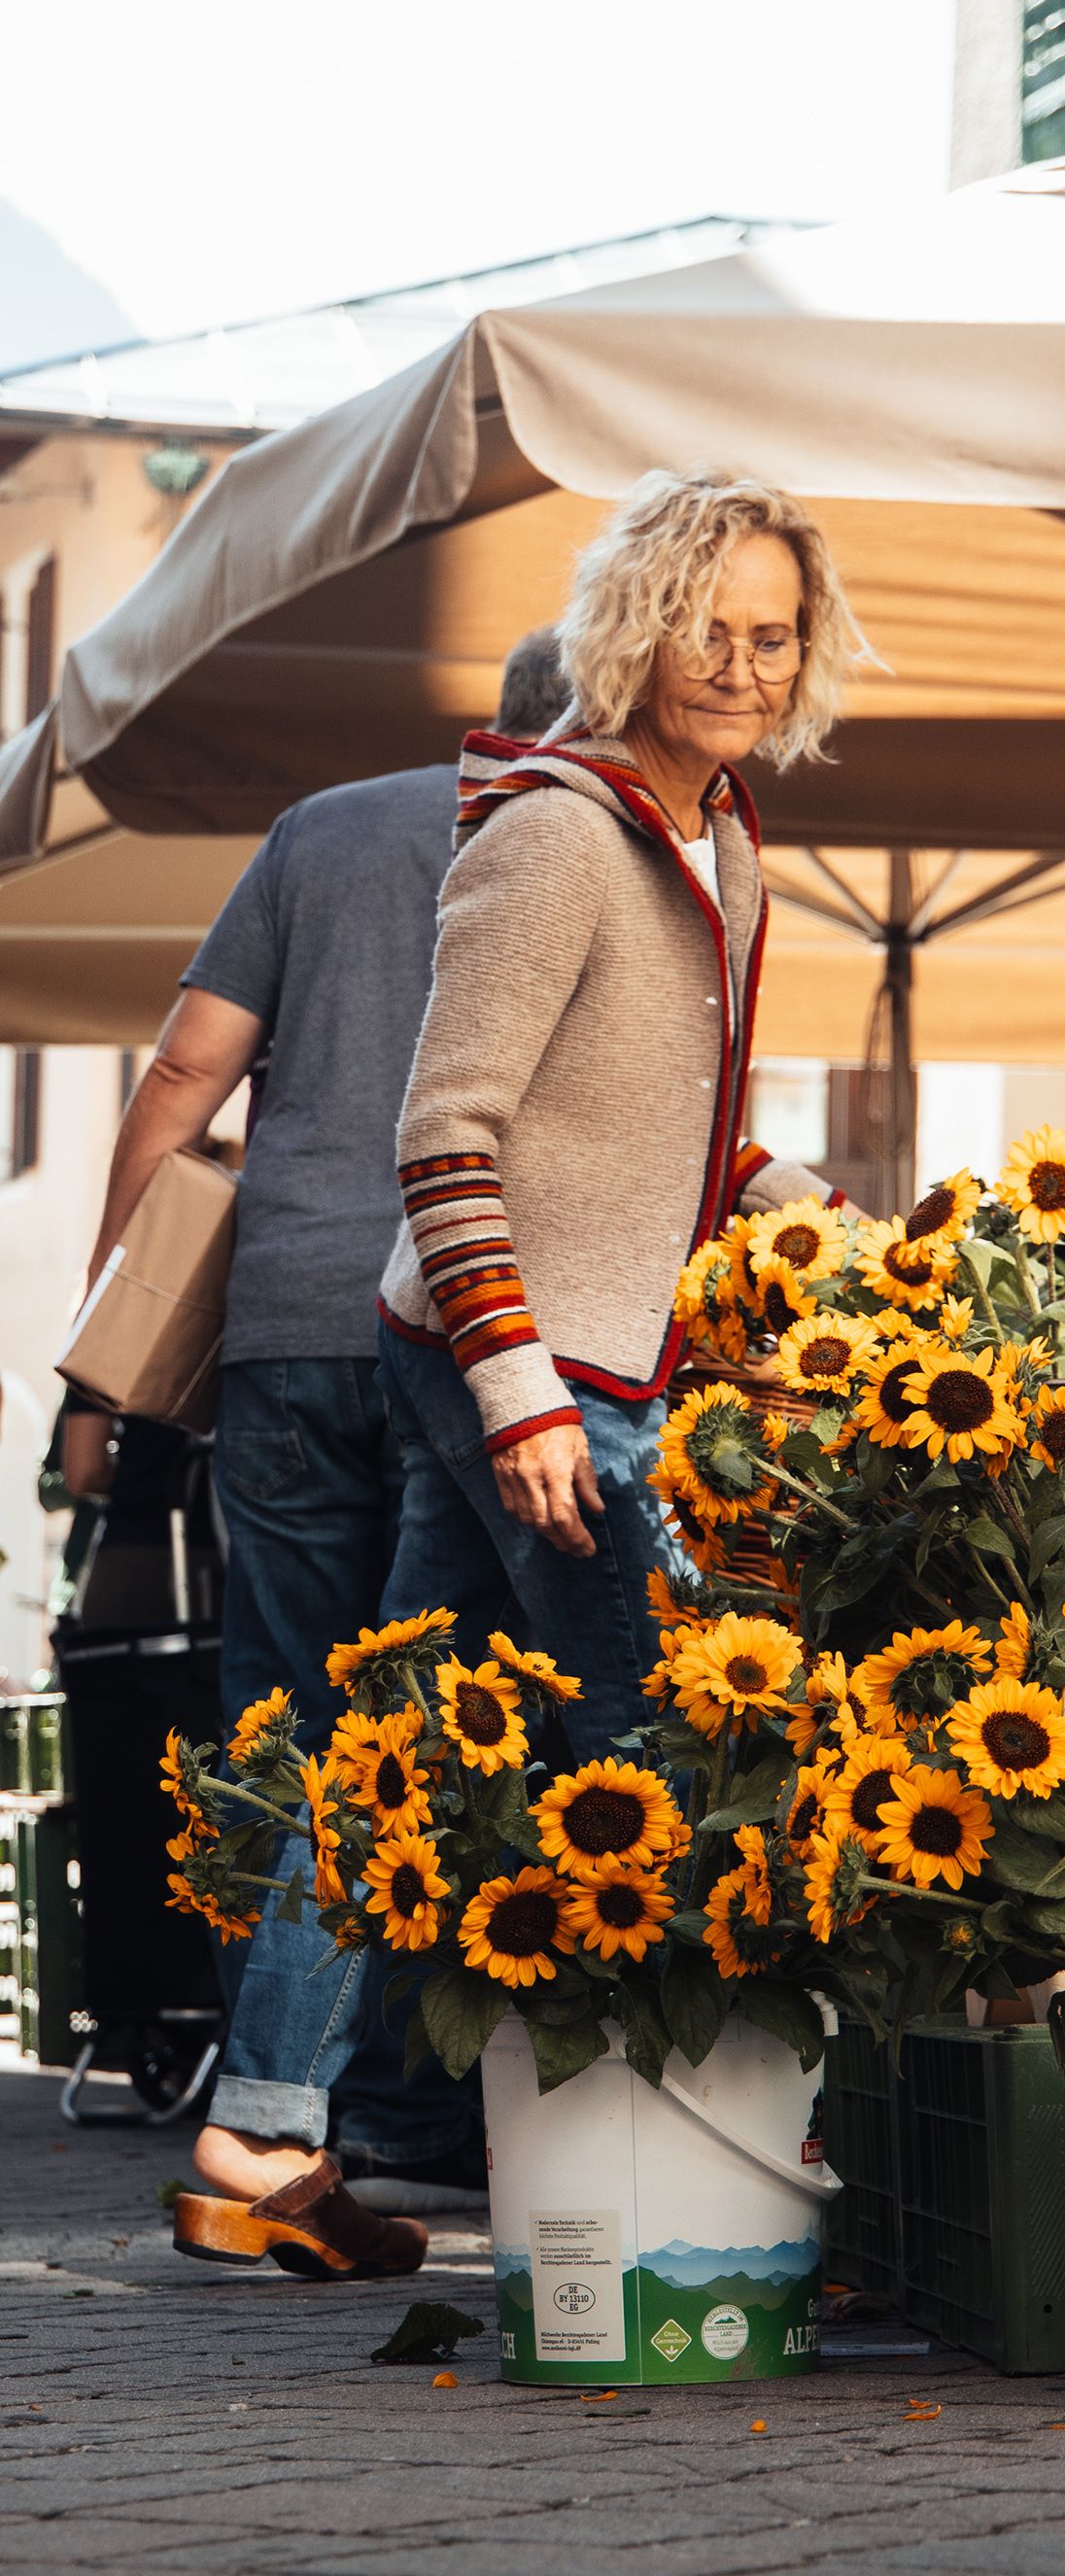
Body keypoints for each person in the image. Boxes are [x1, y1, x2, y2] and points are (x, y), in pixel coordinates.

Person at [88, 634, 569, 2259]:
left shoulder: (324, 827)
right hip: (466, 1326)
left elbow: (181, 1078)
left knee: (284, 1722)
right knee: (430, 1721)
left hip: (287, 1325)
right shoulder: (601, 846)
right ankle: (361, 2111)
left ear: (485, 714)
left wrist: (120, 1348)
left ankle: (301, 2115)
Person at [371, 468, 853, 1753]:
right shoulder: (557, 838)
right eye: (701, 627)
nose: (737, 668)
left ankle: (324, 1949)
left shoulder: (721, 838)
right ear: (632, 624)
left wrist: (858, 1234)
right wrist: (519, 1395)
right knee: (664, 1732)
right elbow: (446, 1131)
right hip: (539, 1356)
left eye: (769, 636)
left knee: (406, 1763)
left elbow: (665, 1127)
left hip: (600, 1345)